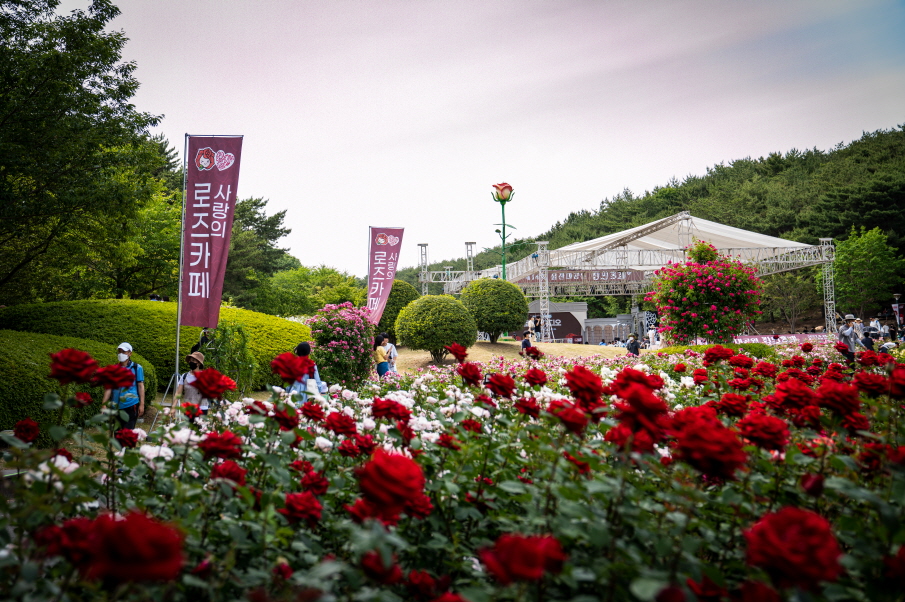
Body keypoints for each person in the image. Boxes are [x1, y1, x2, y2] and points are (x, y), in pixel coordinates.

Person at [102, 342, 145, 430]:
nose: (121, 354)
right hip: (116, 406)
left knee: (127, 434)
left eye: (124, 352)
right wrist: (104, 404)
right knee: (117, 433)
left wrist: (142, 404)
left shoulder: (137, 368)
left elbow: (141, 386)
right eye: (119, 351)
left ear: (130, 353)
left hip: (131, 404)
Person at [175, 351, 210, 415]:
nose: (191, 362)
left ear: (199, 363)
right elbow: (178, 393)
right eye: (190, 360)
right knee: (188, 425)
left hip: (201, 408)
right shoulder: (184, 376)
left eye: (194, 360)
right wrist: (173, 407)